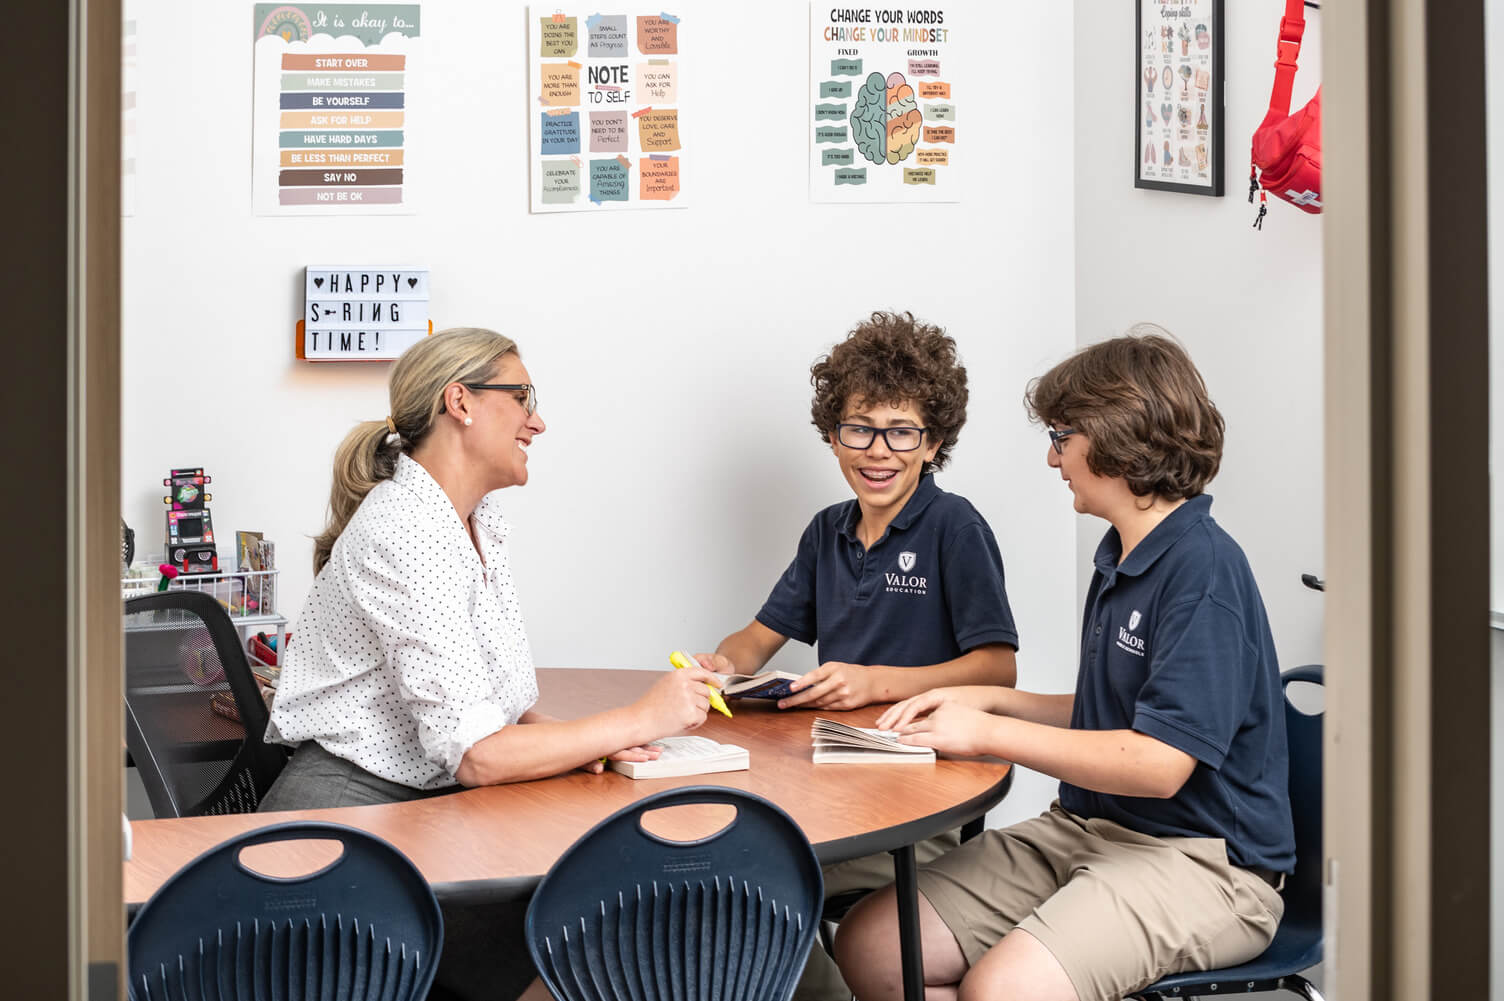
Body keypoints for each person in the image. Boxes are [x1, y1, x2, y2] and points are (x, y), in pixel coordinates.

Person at [260, 326, 722, 1001]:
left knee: (617, 929)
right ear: (461, 402)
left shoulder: (477, 521)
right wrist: (635, 717)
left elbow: (493, 700)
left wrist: (571, 740)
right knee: (592, 956)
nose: (538, 420)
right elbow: (476, 754)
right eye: (523, 395)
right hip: (348, 826)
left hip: (427, 811)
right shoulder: (405, 531)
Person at [833, 329, 1295, 1001]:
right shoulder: (1121, 556)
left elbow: (1158, 763)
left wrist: (988, 734)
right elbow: (1111, 713)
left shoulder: (1205, 571)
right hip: (1086, 830)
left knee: (1000, 990)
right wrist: (988, 702)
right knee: (873, 947)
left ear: (1116, 435)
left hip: (1205, 862)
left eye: (1062, 436)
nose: (1054, 459)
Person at [693, 311, 1020, 1001]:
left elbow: (998, 667)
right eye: (858, 428)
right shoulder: (827, 532)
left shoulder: (954, 528)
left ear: (933, 442)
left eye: (901, 431)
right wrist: (720, 665)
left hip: (920, 807)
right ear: (832, 434)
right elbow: (757, 638)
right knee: (718, 860)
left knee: (757, 881)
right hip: (828, 785)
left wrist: (875, 681)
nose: (878, 450)